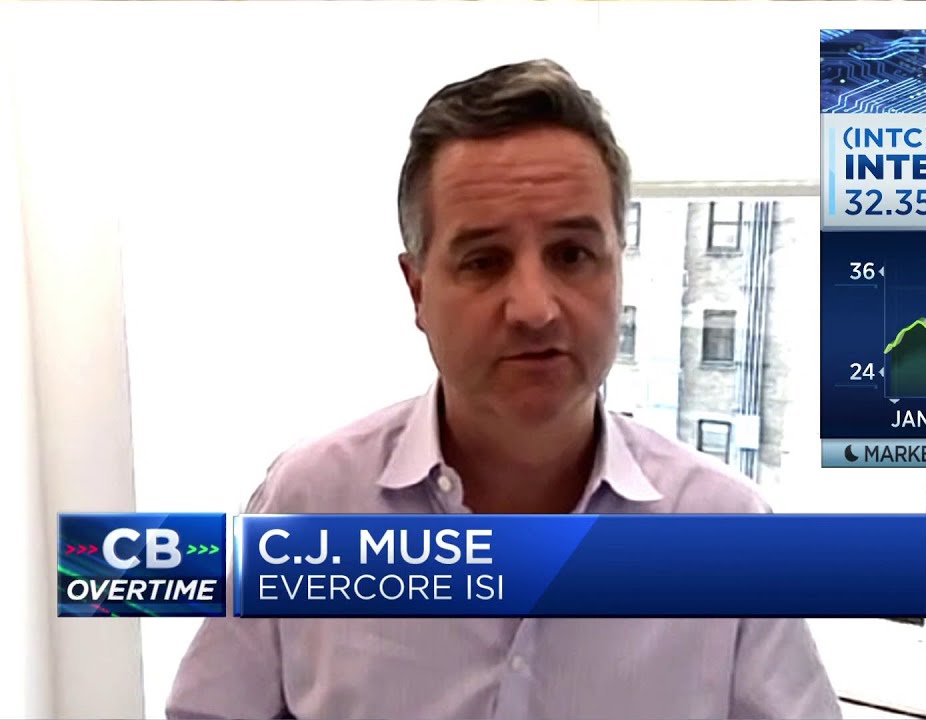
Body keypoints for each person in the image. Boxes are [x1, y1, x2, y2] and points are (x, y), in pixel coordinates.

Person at [166, 59, 840, 720]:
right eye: (484, 261)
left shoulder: (728, 533)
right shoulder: (308, 504)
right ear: (418, 290)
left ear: (618, 272)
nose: (534, 308)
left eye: (572, 255)